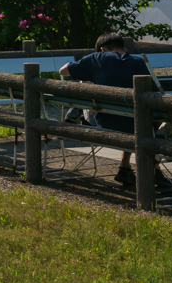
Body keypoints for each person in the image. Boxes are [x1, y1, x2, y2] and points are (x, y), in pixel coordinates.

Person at [60, 33, 150, 189]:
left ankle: (128, 167)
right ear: (123, 47)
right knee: (133, 117)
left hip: (104, 122)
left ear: (102, 49)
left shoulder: (97, 58)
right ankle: (135, 167)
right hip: (138, 124)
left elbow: (63, 71)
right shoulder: (140, 62)